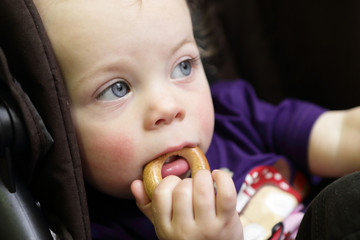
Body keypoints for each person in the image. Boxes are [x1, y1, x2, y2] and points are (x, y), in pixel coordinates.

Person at [32, 0, 360, 239]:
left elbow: (338, 134)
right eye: (117, 89)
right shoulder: (99, 231)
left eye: (183, 66)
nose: (168, 106)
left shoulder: (235, 113)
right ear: (56, 122)